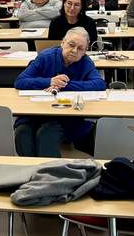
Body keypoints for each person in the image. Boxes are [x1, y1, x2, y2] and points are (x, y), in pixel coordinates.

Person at [12, 28, 105, 157]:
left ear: (85, 51)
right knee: (22, 133)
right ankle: (30, 170)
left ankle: (50, 174)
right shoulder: (46, 56)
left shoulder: (85, 62)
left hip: (65, 115)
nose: (74, 51)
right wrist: (49, 81)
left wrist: (64, 85)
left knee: (46, 135)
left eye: (80, 49)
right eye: (71, 45)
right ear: (62, 43)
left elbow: (99, 84)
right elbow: (20, 81)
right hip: (35, 112)